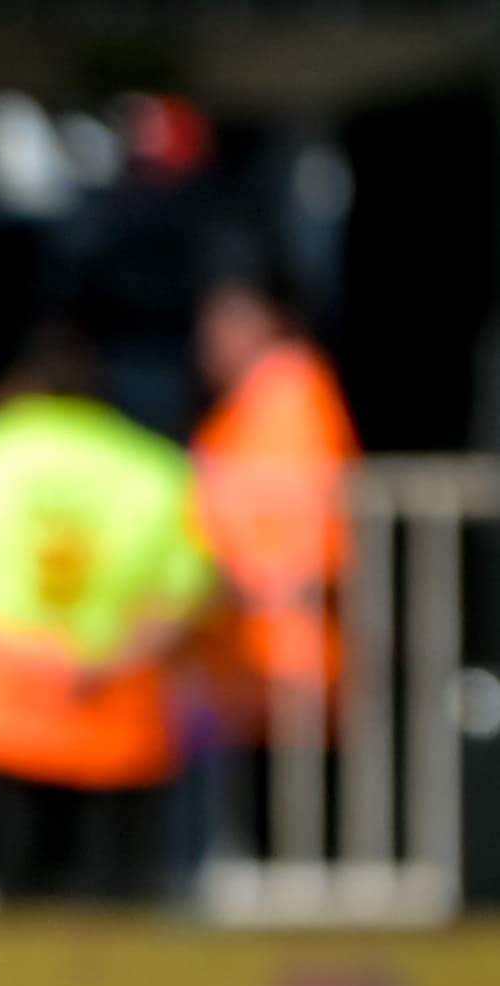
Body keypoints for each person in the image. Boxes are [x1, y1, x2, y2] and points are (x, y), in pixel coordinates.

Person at [0, 326, 216, 901]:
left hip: (7, 699)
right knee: (116, 902)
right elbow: (185, 592)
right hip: (117, 699)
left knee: (17, 897)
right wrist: (103, 660)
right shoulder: (153, 465)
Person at [189, 268, 358, 859]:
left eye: (229, 323)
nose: (213, 341)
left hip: (286, 641)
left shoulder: (290, 393)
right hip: (251, 647)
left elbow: (301, 523)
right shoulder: (255, 402)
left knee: (297, 828)